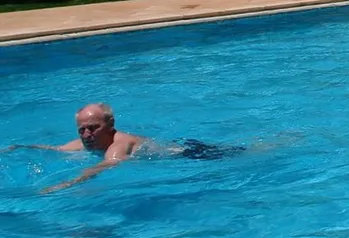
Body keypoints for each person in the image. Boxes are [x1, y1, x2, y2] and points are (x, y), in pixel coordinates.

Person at [3, 103, 243, 193]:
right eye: (82, 130)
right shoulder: (86, 142)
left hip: (193, 155)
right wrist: (18, 147)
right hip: (184, 149)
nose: (86, 134)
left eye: (93, 128)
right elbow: (56, 149)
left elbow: (107, 165)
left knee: (243, 154)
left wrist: (68, 183)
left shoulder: (118, 144)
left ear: (110, 125)